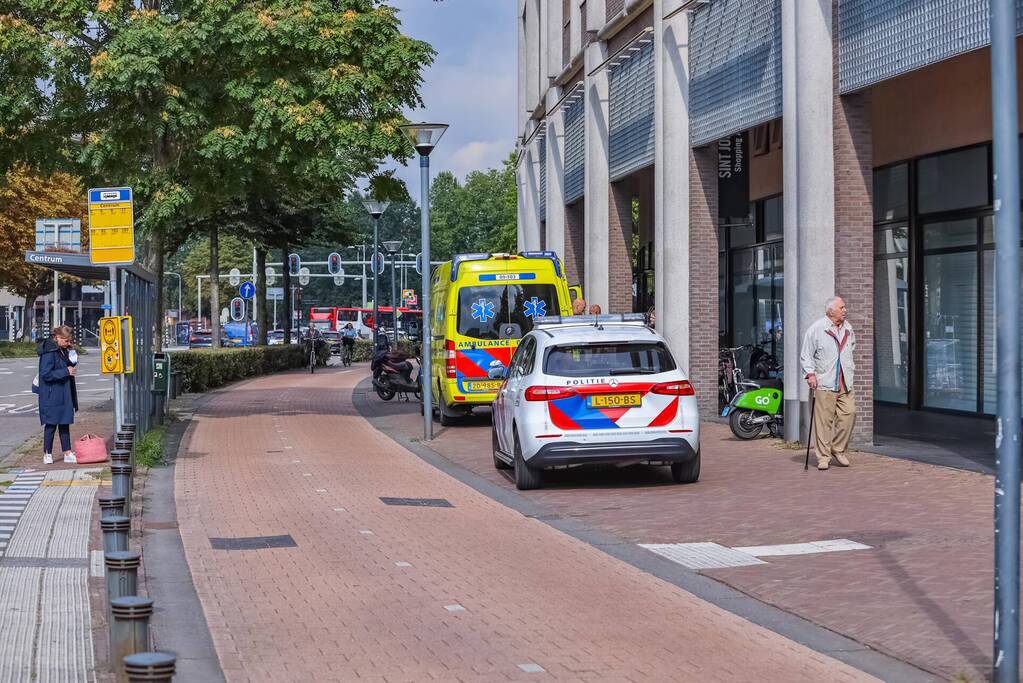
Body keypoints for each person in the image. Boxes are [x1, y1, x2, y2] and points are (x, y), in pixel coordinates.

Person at [800, 296, 856, 470]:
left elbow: (851, 348)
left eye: (844, 307)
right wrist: (811, 375)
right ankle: (823, 457)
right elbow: (806, 355)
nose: (845, 310)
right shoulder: (817, 329)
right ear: (831, 311)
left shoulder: (848, 328)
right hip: (825, 382)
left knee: (849, 414)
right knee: (823, 422)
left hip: (845, 382)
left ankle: (838, 449)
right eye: (842, 307)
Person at [37, 325, 78, 465]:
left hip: (64, 392)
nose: (68, 343)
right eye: (66, 341)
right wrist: (66, 372)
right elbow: (45, 374)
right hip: (52, 393)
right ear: (57, 338)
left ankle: (67, 452)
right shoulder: (49, 352)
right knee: (51, 424)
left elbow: (69, 364)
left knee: (64, 422)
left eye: (69, 341)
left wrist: (72, 354)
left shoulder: (63, 349)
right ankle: (47, 453)